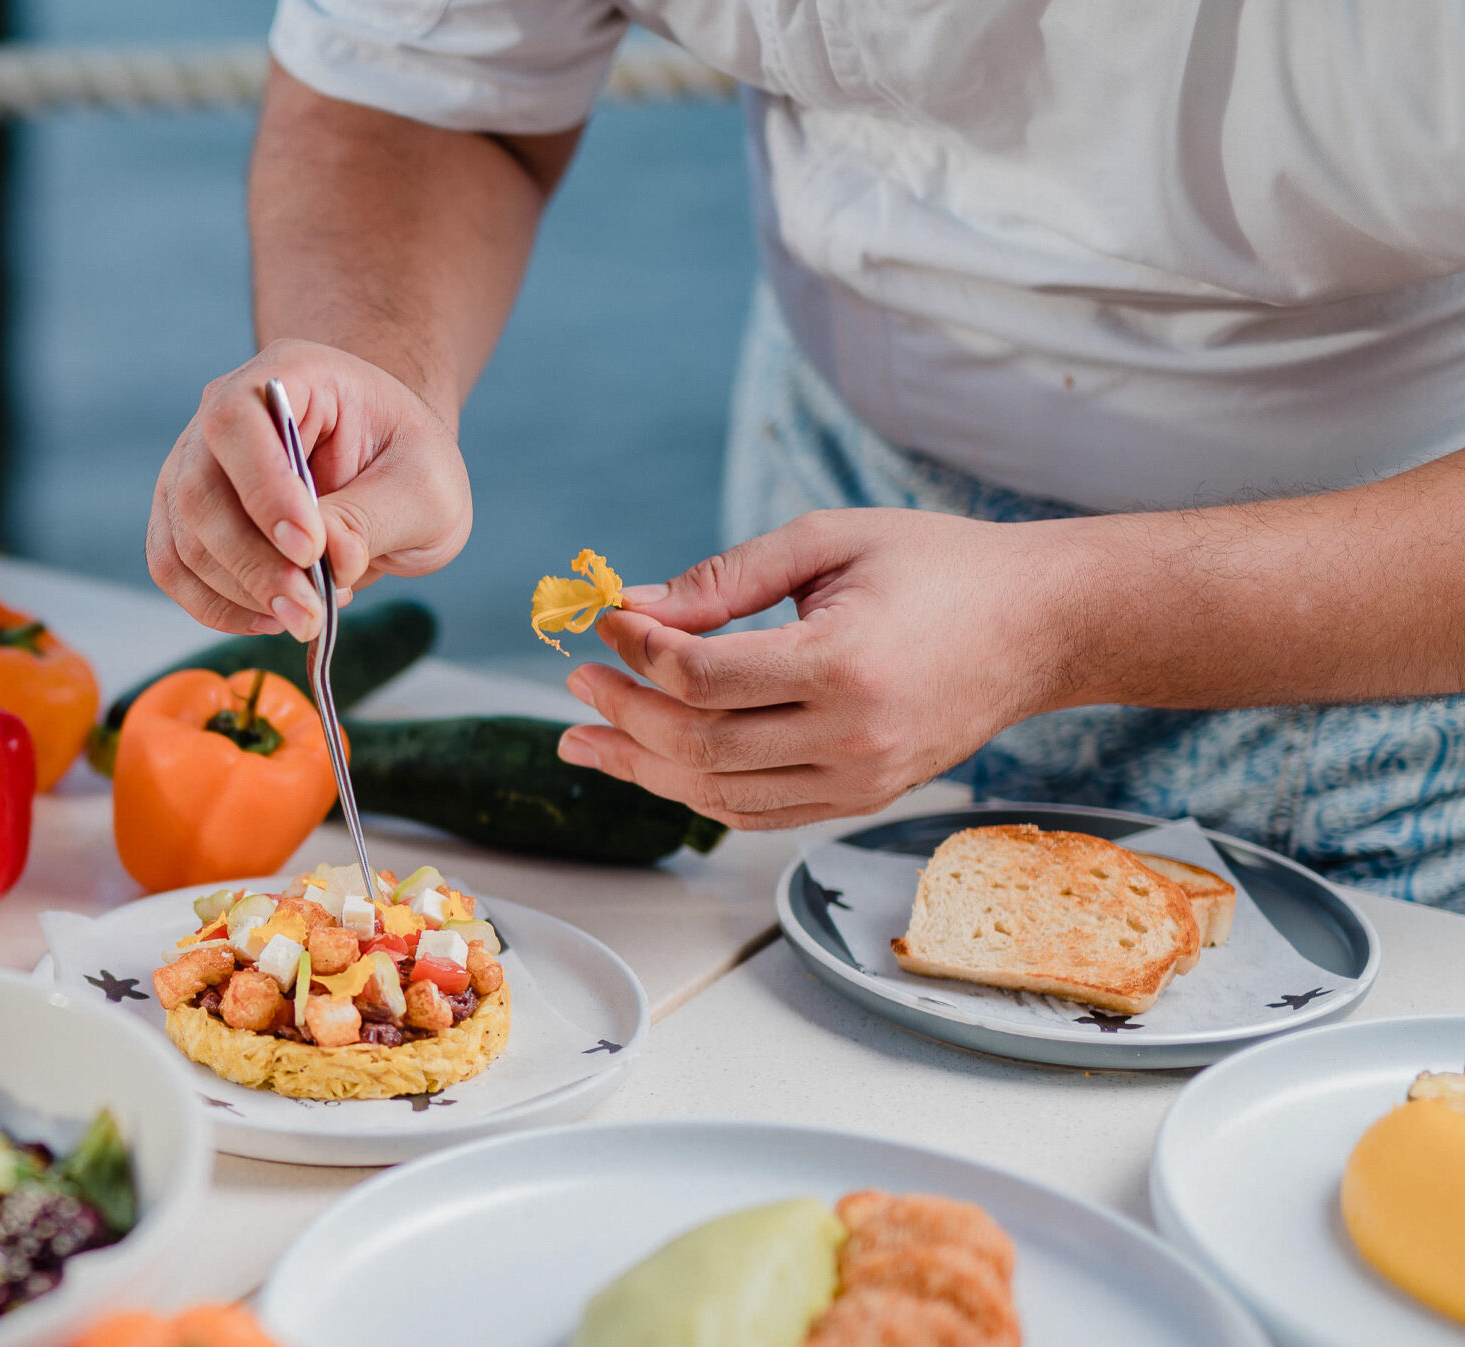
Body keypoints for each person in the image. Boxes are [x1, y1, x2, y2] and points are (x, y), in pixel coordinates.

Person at [143, 2, 1465, 907]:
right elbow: (426, 90)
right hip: (831, 487)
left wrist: (1058, 620)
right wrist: (374, 363)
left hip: (1384, 619)